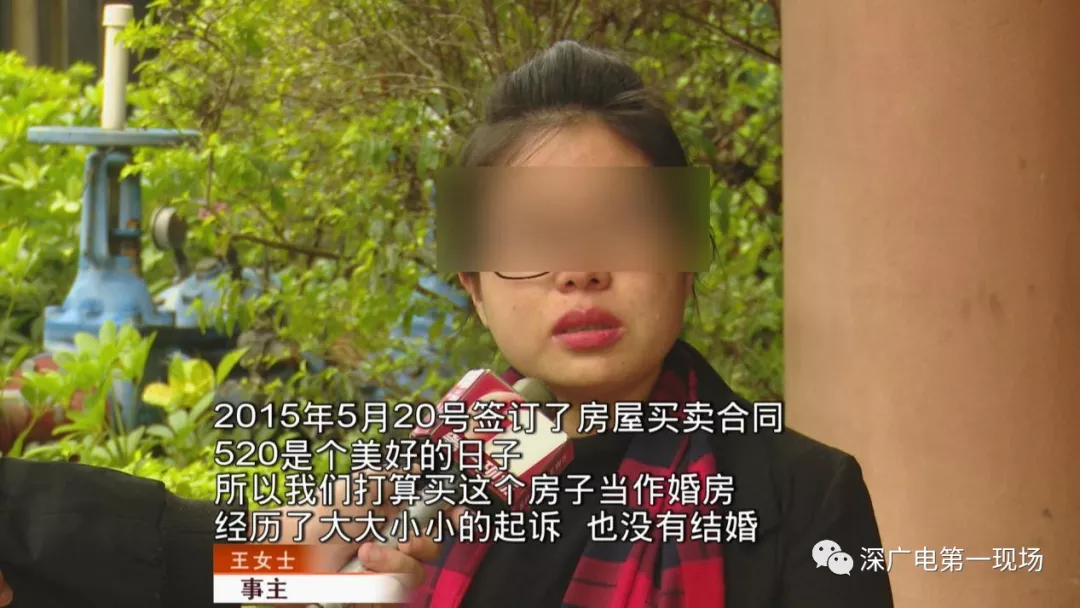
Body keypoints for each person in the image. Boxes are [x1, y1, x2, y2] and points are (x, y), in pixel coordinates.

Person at [0, 40, 893, 608]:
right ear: (473, 286)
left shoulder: (801, 496)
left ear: (686, 256)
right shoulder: (423, 474)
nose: (578, 269)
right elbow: (221, 563)